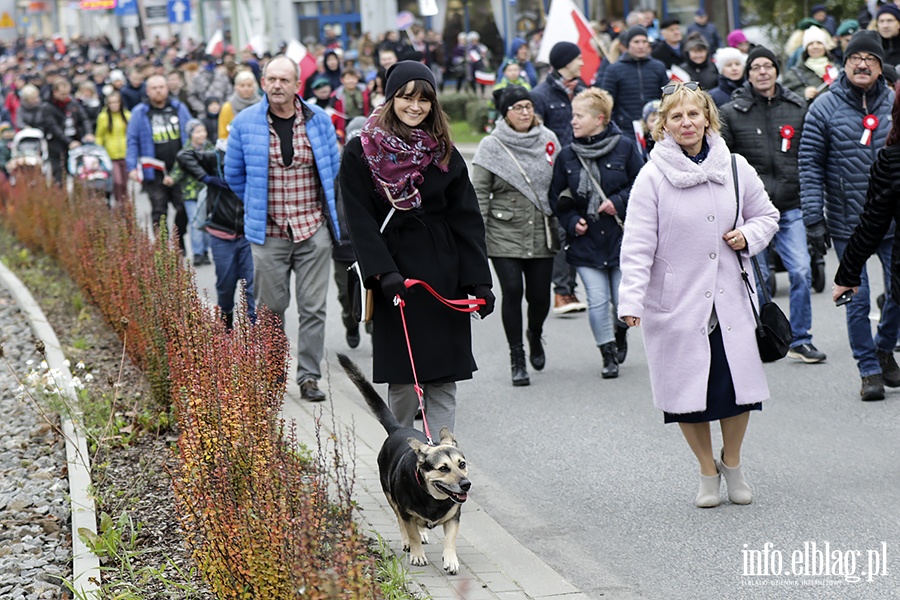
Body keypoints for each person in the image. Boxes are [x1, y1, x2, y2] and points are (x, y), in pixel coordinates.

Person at [618, 82, 780, 508]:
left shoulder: (736, 167)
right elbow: (636, 245)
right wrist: (631, 302)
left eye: (694, 114)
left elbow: (767, 216)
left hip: (731, 298)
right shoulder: (652, 177)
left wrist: (747, 234)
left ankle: (734, 461)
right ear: (664, 126)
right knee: (688, 397)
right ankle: (708, 471)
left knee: (736, 390)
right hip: (677, 303)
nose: (686, 123)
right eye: (676, 116)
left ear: (708, 117)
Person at [339, 61, 494, 433]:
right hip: (397, 277)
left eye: (424, 99)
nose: (415, 106)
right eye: (407, 97)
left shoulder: (444, 152)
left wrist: (479, 281)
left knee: (443, 376)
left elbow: (467, 219)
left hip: (444, 274)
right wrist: (382, 271)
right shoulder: (360, 151)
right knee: (405, 378)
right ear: (391, 98)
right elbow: (358, 219)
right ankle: (405, 450)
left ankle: (444, 455)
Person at [224, 55, 342, 402]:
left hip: (312, 230)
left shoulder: (319, 121)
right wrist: (259, 204)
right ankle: (274, 374)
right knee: (271, 309)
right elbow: (233, 175)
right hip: (269, 233)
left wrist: (321, 219)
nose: (277, 85)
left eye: (284, 80)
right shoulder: (245, 123)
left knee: (313, 308)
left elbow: (332, 171)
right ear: (263, 83)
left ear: (296, 85)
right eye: (270, 79)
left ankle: (308, 377)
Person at [800, 31, 900, 401]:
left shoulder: (894, 102)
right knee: (857, 299)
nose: (862, 64)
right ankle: (869, 370)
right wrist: (814, 219)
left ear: (879, 66)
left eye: (870, 59)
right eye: (855, 58)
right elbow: (809, 165)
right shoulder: (823, 107)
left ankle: (884, 347)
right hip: (848, 223)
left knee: (898, 294)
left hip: (892, 223)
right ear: (843, 64)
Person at [720, 46, 826, 364]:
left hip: (790, 206)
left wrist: (814, 205)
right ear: (748, 74)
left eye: (768, 66)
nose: (763, 72)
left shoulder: (796, 107)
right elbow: (724, 164)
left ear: (777, 71)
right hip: (750, 213)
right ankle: (760, 336)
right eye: (756, 67)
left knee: (801, 272)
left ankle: (801, 338)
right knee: (759, 280)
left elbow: (810, 158)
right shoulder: (731, 111)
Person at [550, 88, 645, 379]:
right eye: (573, 115)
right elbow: (556, 199)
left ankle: (620, 333)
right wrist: (572, 221)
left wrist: (617, 202)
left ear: (599, 119)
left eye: (579, 116)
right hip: (586, 241)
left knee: (621, 300)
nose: (573, 121)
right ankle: (607, 354)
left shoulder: (626, 148)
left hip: (620, 239)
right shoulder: (567, 155)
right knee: (598, 299)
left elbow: (643, 186)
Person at [472, 85, 560, 386]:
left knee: (539, 297)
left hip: (541, 229)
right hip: (502, 231)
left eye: (528, 106)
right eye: (518, 107)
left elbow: (560, 183)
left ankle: (534, 333)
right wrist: (477, 236)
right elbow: (480, 192)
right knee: (512, 291)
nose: (525, 112)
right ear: (505, 113)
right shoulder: (491, 145)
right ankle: (517, 357)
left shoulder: (548, 139)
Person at [833, 87, 900, 399]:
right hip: (845, 216)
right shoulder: (891, 160)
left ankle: (884, 349)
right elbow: (873, 221)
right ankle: (870, 365)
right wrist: (848, 274)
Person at [531, 41, 589, 316]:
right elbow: (536, 137)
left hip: (586, 169)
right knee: (563, 231)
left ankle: (570, 289)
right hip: (555, 173)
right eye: (577, 59)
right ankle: (562, 291)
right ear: (564, 62)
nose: (581, 63)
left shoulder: (583, 90)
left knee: (581, 227)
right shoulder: (540, 94)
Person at [177, 136, 256, 329]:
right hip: (221, 234)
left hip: (249, 235)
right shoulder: (217, 157)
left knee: (252, 286)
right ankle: (226, 323)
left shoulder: (255, 156)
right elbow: (184, 155)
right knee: (226, 285)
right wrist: (206, 178)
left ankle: (254, 332)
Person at [126, 73, 194, 253]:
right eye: (154, 88)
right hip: (153, 171)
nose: (158, 91)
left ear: (167, 88)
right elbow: (132, 140)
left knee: (182, 208)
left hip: (179, 169)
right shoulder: (140, 112)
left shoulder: (179, 108)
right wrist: (132, 166)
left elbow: (191, 134)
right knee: (159, 210)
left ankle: (179, 241)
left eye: (161, 87)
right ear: (148, 91)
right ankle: (162, 247)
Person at [596, 25, 669, 134]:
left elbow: (666, 98)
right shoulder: (614, 69)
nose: (641, 46)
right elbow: (608, 102)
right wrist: (615, 126)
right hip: (626, 130)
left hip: (655, 128)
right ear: (628, 44)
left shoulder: (658, 67)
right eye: (636, 42)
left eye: (644, 42)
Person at [172, 119, 214, 265]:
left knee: (207, 222)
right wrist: (171, 178)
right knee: (195, 222)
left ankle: (206, 251)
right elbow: (178, 171)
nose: (201, 134)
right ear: (191, 134)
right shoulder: (185, 152)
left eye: (203, 131)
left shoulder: (211, 149)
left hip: (208, 192)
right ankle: (197, 252)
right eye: (197, 132)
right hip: (190, 194)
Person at [782, 26, 838, 103]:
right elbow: (783, 96)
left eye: (819, 43)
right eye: (811, 44)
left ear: (825, 47)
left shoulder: (836, 69)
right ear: (806, 49)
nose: (815, 47)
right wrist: (803, 94)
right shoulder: (793, 74)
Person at [94, 90, 130, 205]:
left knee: (125, 183)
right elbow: (99, 135)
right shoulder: (103, 117)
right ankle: (119, 204)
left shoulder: (127, 115)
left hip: (125, 153)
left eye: (116, 102)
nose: (114, 105)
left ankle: (125, 205)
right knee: (117, 182)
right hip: (111, 155)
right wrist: (98, 153)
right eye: (111, 103)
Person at [218, 70, 261, 141]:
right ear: (236, 87)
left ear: (254, 87)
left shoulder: (261, 105)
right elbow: (223, 135)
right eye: (242, 85)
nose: (246, 89)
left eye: (249, 85)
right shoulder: (228, 107)